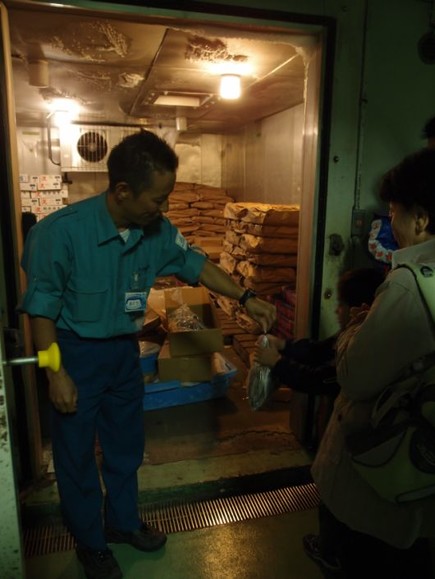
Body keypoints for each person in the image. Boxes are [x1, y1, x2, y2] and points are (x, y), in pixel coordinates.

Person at [18, 129, 276, 579]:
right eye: (158, 199)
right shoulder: (58, 235)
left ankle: (121, 523)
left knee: (125, 446)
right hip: (72, 354)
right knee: (75, 455)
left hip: (123, 354)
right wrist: (53, 372)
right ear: (122, 190)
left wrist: (247, 296)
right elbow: (41, 310)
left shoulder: (155, 230)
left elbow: (197, 266)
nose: (165, 209)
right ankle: (90, 542)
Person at [306, 148, 435, 579]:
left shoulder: (407, 286)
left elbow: (355, 376)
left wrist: (353, 330)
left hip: (385, 477)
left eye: (395, 212)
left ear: (420, 219)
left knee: (369, 559)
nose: (391, 224)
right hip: (424, 471)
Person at [253, 267, 385, 450]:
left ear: (358, 310)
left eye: (341, 305)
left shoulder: (360, 351)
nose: (337, 311)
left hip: (351, 434)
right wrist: (284, 346)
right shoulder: (348, 334)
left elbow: (317, 379)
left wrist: (277, 363)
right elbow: (319, 350)